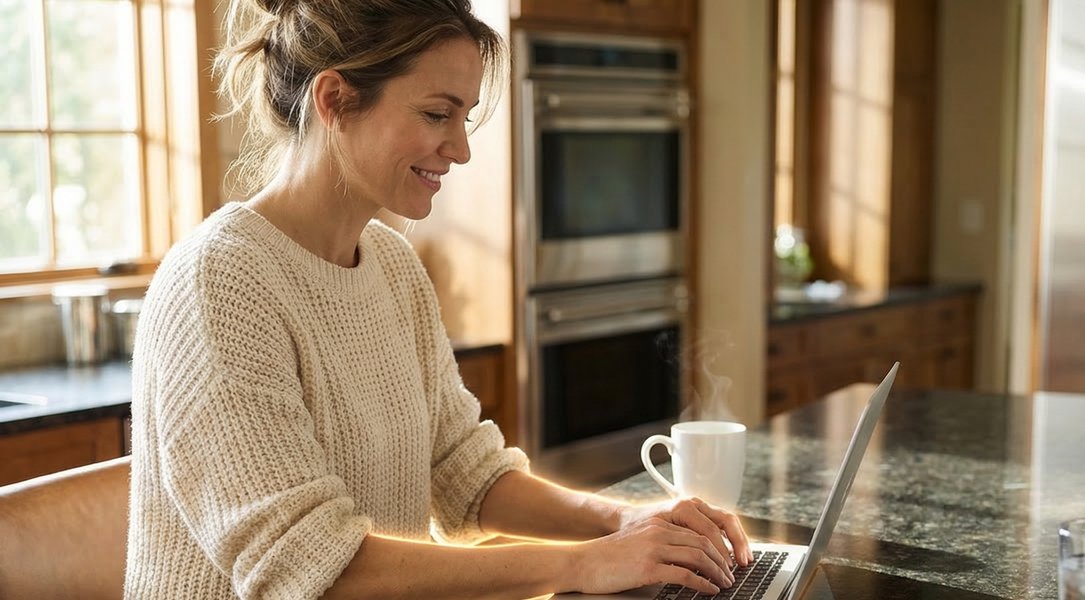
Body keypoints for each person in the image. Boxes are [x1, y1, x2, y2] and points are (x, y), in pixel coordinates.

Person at [123, 1, 752, 598]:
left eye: (464, 117)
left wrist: (630, 523)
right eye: (436, 114)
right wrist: (585, 563)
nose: (461, 148)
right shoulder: (220, 283)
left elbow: (463, 473)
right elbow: (311, 573)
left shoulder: (391, 265)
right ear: (336, 100)